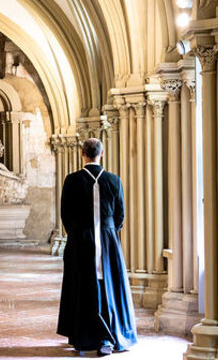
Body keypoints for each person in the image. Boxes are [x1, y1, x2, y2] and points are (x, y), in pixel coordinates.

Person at [55, 138, 138, 356]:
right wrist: (108, 231)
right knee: (108, 286)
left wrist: (78, 234)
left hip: (81, 241)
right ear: (101, 154)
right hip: (108, 241)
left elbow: (66, 214)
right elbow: (120, 215)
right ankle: (107, 338)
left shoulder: (72, 180)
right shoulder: (114, 180)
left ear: (82, 154)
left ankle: (83, 339)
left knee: (82, 286)